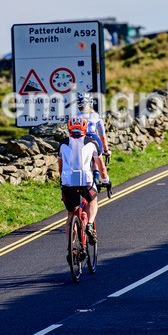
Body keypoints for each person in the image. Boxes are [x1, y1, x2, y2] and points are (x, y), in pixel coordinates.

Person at [58, 117, 109, 245]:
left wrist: (63, 180)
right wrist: (106, 181)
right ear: (85, 129)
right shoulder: (92, 142)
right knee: (93, 201)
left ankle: (71, 249)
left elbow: (60, 168)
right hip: (85, 180)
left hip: (68, 181)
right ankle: (90, 224)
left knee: (71, 214)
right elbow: (101, 168)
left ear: (69, 129)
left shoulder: (62, 143)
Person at [76, 92, 111, 159]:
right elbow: (102, 137)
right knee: (100, 164)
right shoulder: (96, 116)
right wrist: (106, 150)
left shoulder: (75, 117)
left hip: (79, 144)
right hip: (94, 142)